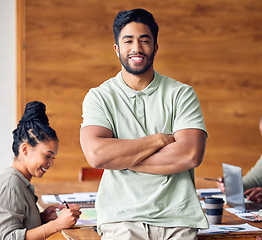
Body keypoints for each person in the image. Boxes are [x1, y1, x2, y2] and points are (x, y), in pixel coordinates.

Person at [80, 8, 208, 239]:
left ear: (155, 47)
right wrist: (158, 140)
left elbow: (190, 154)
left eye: (144, 40)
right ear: (117, 49)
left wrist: (122, 159)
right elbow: (98, 155)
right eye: (128, 41)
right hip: (121, 219)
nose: (136, 48)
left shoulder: (181, 94)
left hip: (177, 218)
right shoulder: (99, 97)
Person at [0, 101, 81, 239]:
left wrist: (42, 218)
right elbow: (6, 237)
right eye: (47, 156)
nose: (50, 163)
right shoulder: (10, 185)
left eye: (53, 158)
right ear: (25, 149)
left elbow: (19, 225)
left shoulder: (21, 181)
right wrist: (56, 225)